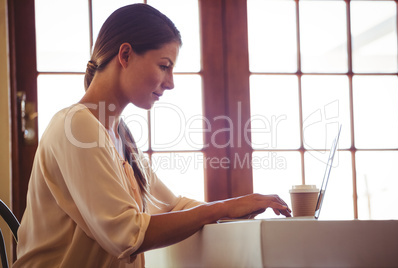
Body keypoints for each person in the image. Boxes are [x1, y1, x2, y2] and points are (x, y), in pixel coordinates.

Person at [13, 3, 291, 268]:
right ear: (125, 55)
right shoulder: (75, 126)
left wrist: (237, 209)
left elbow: (170, 206)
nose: (170, 82)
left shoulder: (120, 135)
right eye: (164, 66)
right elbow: (126, 235)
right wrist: (221, 209)